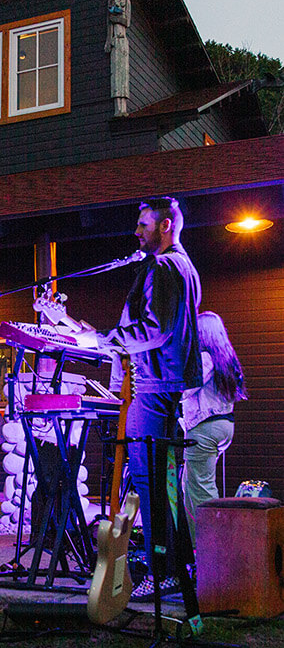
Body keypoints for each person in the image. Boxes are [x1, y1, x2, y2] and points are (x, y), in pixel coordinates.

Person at [95, 197, 202, 596]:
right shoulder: (186, 266)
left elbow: (154, 329)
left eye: (143, 224)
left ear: (165, 227)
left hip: (153, 386)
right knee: (165, 484)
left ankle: (164, 574)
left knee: (151, 483)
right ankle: (178, 567)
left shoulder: (162, 265)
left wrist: (107, 340)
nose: (136, 232)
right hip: (167, 384)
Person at [181, 311, 247, 541]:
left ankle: (213, 547)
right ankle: (198, 545)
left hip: (205, 426)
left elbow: (185, 389)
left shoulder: (205, 357)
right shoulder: (225, 356)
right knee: (191, 484)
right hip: (222, 424)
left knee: (200, 488)